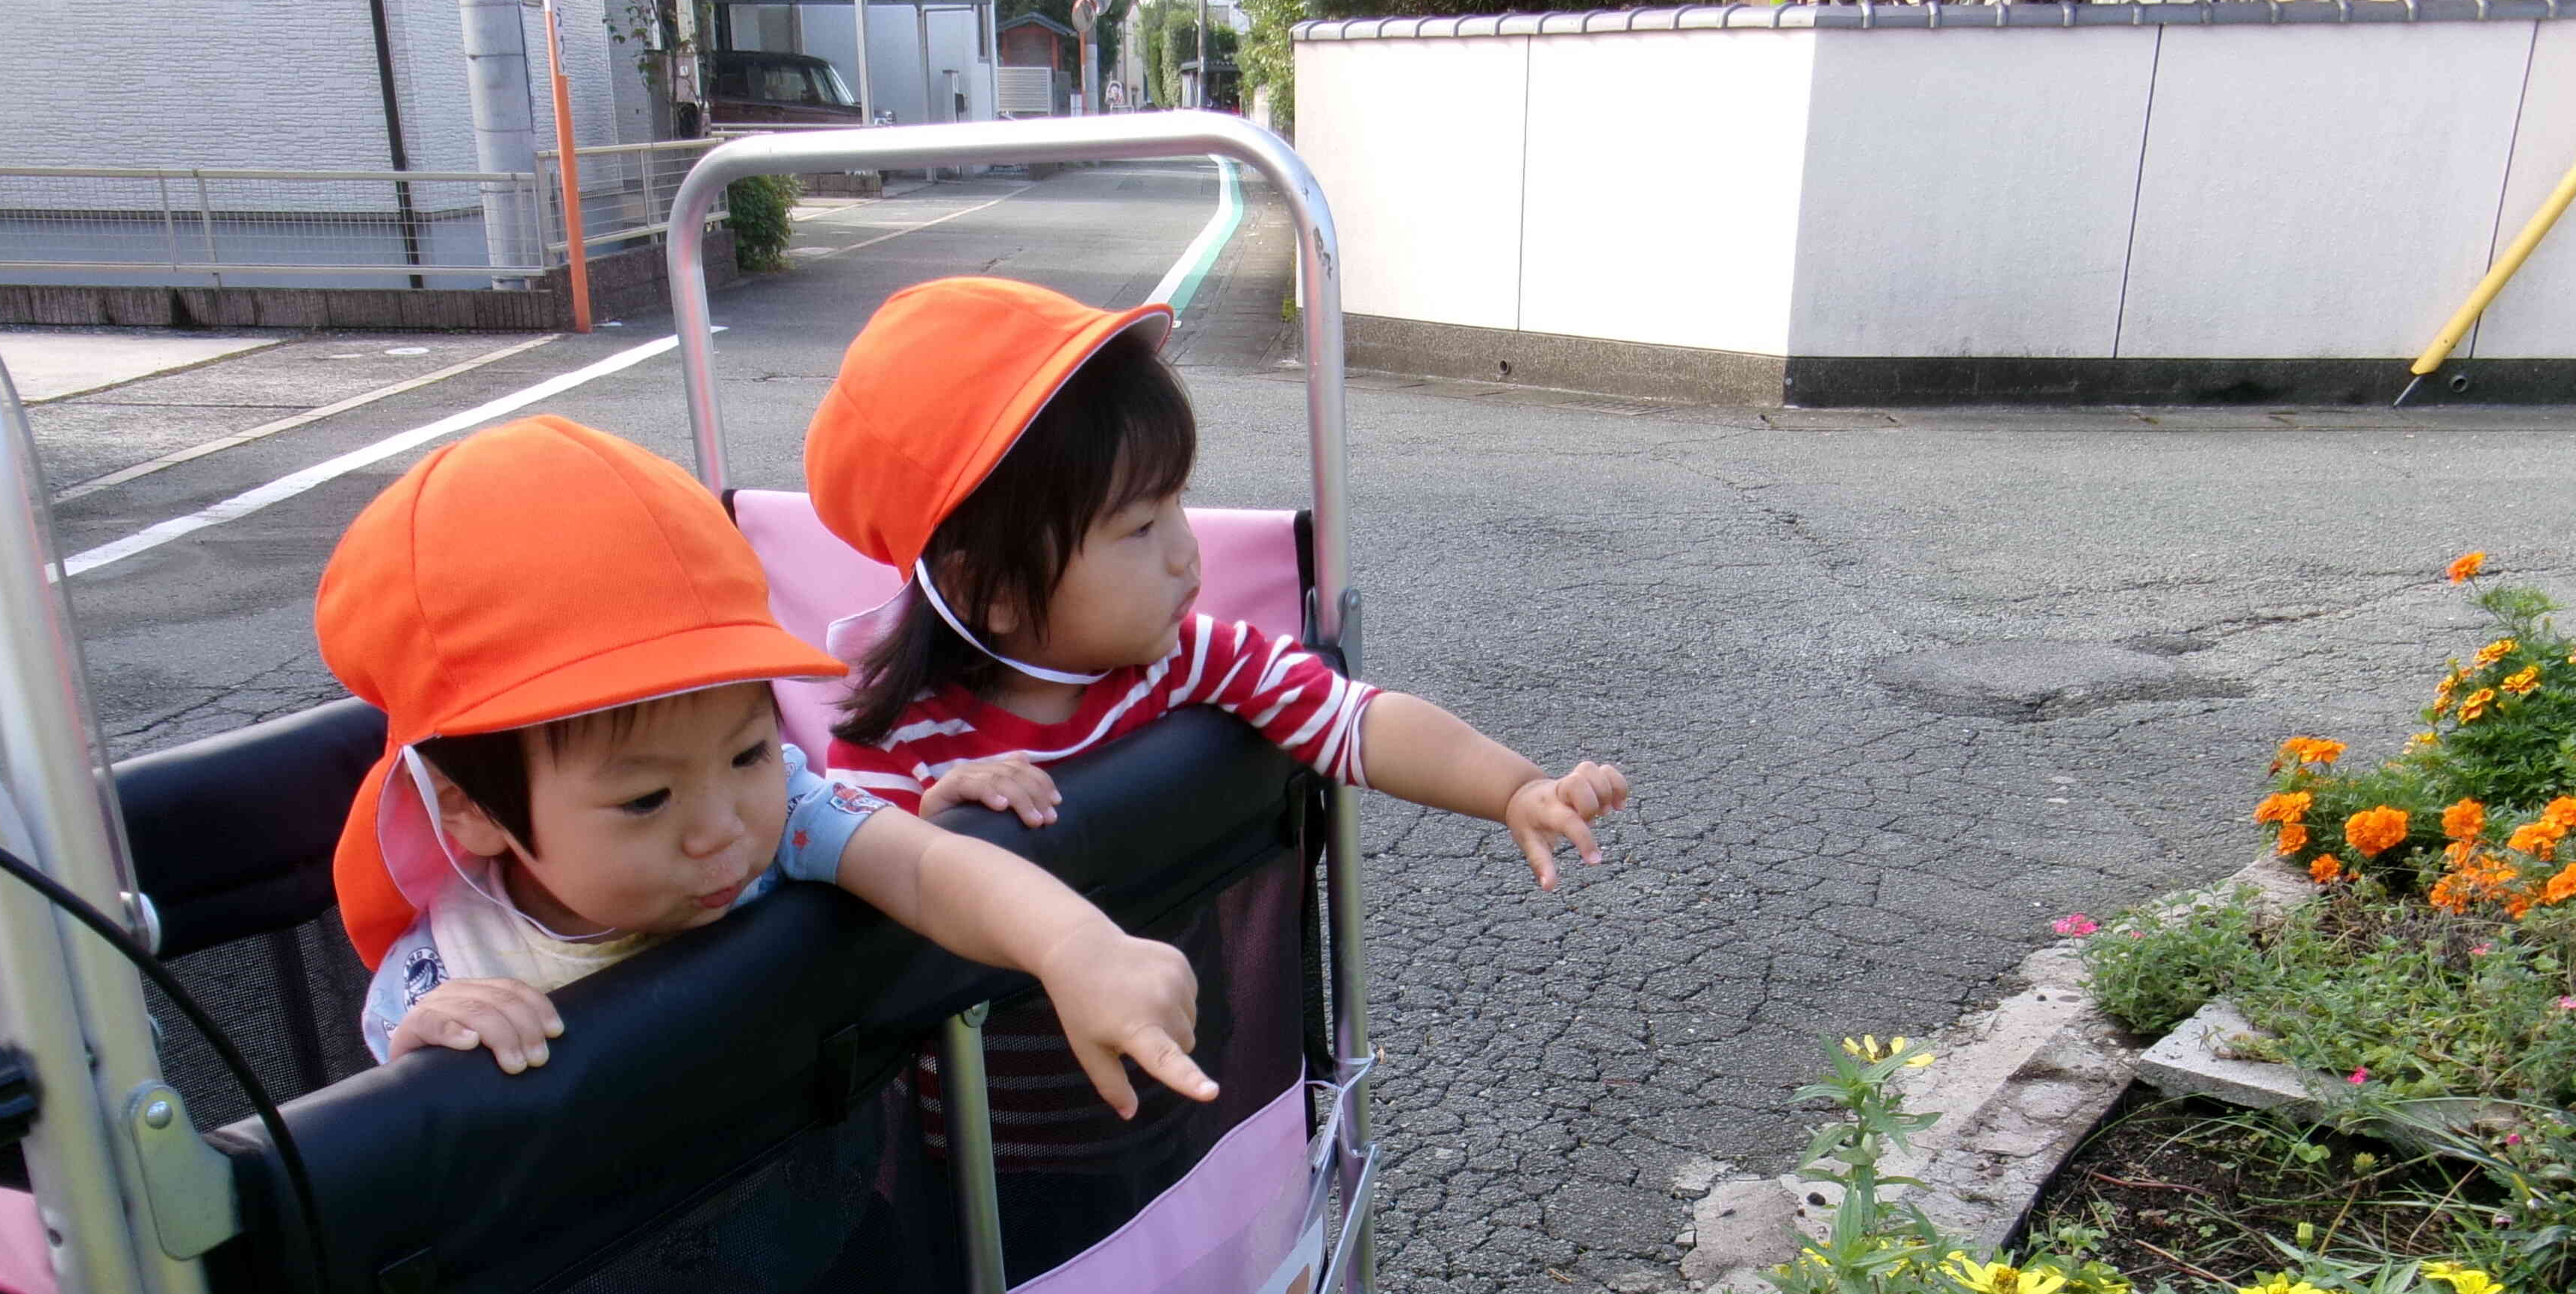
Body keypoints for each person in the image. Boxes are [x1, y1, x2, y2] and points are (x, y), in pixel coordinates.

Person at [319, 413, 1216, 1122]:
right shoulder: (453, 966)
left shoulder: (783, 807)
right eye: (646, 799)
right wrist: (432, 1057)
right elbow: (406, 1144)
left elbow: (922, 863)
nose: (723, 827)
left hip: (826, 1228)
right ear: (471, 809)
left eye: (749, 748)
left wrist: (1077, 947)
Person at [803, 277, 1629, 890]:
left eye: (1177, 506)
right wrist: (931, 826)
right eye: (1138, 527)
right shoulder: (891, 750)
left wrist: (1516, 787)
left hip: (1178, 1087)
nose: (1185, 554)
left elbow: (1358, 721)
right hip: (983, 1113)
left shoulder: (1191, 662)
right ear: (991, 592)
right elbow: (836, 919)